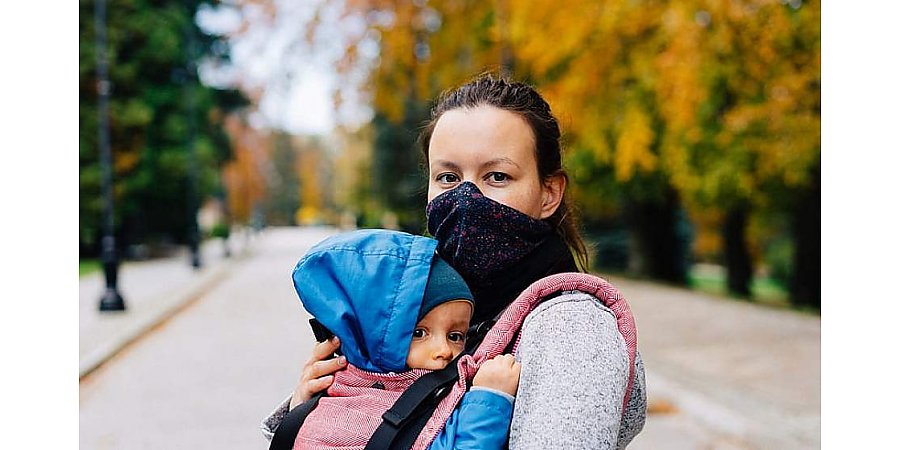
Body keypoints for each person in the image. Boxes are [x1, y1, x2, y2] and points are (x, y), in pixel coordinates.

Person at [263, 74, 647, 449]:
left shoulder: (570, 327)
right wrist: (315, 408)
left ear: (549, 193)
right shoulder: (426, 301)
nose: (465, 199)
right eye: (448, 177)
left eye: (497, 176)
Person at [285, 229, 520, 449]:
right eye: (419, 333)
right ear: (371, 337)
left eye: (455, 336)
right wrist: (489, 400)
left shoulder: (440, 389)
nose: (444, 350)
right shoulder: (336, 416)